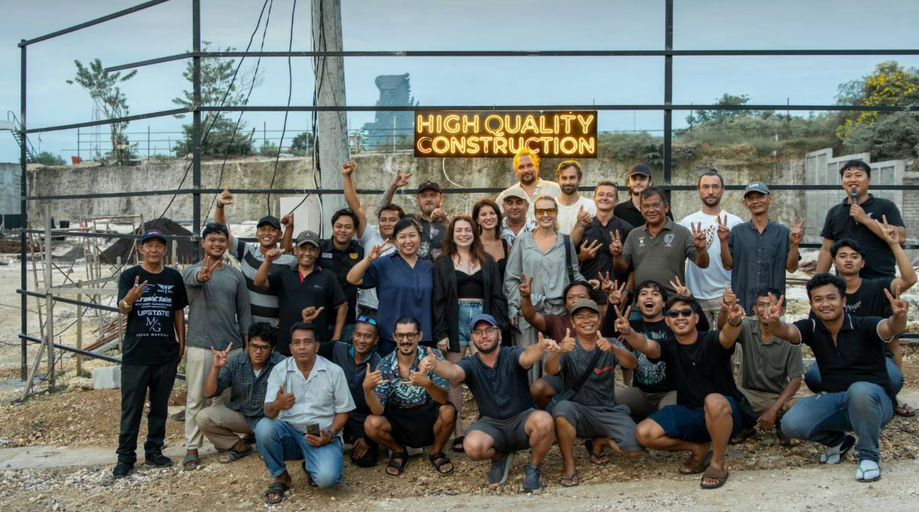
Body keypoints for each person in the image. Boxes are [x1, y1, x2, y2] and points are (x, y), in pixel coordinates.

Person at [763, 273, 909, 483]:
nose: (825, 304)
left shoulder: (864, 325)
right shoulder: (812, 327)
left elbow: (890, 327)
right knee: (791, 423)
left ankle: (869, 457)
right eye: (818, 299)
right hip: (838, 401)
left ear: (843, 301)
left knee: (859, 390)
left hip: (875, 403)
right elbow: (787, 332)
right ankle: (838, 442)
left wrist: (899, 316)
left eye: (831, 298)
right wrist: (774, 322)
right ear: (811, 304)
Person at [621, 291, 747, 490]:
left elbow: (728, 337)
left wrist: (733, 321)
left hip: (726, 413)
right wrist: (629, 332)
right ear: (668, 321)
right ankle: (698, 449)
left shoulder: (712, 339)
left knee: (713, 400)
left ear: (696, 318)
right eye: (673, 314)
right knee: (644, 433)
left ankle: (717, 462)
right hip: (690, 411)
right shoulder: (668, 346)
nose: (680, 317)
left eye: (686, 313)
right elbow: (645, 345)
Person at [420, 313, 557, 492]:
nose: (484, 335)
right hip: (491, 424)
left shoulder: (511, 353)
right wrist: (436, 365)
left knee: (544, 421)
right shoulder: (470, 363)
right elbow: (454, 372)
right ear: (472, 337)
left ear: (499, 334)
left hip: (522, 420)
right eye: (478, 332)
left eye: (489, 330)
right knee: (472, 446)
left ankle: (533, 467)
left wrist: (540, 348)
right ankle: (499, 457)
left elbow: (526, 357)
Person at [807, 232, 917, 416]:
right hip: (837, 360)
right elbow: (815, 336)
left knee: (893, 379)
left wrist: (894, 244)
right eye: (843, 256)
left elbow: (910, 279)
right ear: (834, 261)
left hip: (875, 361)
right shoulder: (825, 297)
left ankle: (884, 398)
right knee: (814, 376)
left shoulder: (878, 288)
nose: (848, 260)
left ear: (863, 262)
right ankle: (845, 401)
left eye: (854, 256)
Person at [113, 229, 189, 478]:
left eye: (159, 245)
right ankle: (125, 457)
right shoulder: (130, 276)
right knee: (131, 408)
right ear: (141, 249)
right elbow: (123, 308)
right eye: (149, 245)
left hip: (165, 354)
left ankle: (154, 450)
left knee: (159, 407)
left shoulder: (173, 277)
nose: (154, 249)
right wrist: (130, 298)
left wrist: (181, 343)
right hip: (136, 355)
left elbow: (178, 310)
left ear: (165, 250)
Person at [545, 299, 641, 487]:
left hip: (608, 410)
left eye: (591, 316)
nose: (586, 320)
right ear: (573, 323)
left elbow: (632, 363)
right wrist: (558, 352)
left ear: (599, 319)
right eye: (580, 317)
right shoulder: (568, 346)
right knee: (562, 409)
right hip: (579, 411)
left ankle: (600, 442)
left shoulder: (610, 342)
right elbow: (550, 370)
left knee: (634, 450)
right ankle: (568, 465)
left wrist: (614, 349)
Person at [433, 214, 508, 450]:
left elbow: (497, 296)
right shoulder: (442, 262)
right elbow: (438, 299)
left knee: (485, 376)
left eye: (467, 230)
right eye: (459, 230)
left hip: (482, 320)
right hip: (454, 320)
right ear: (452, 234)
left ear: (474, 233)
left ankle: (486, 426)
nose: (463, 234)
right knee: (455, 378)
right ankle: (457, 432)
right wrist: (441, 332)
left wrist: (497, 327)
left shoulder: (487, 261)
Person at [180, 222, 252, 471]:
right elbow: (194, 277)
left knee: (223, 400)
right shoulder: (191, 272)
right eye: (212, 240)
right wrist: (202, 276)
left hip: (231, 347)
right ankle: (192, 447)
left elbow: (244, 312)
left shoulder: (235, 275)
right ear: (203, 243)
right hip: (200, 345)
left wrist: (246, 344)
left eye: (221, 240)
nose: (217, 244)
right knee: (196, 398)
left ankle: (226, 442)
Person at [257, 322, 355, 503]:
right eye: (297, 342)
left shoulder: (334, 371)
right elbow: (268, 412)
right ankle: (281, 476)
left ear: (316, 346)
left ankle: (311, 464)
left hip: (320, 432)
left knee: (327, 480)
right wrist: (277, 404)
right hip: (290, 431)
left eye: (307, 342)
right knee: (263, 427)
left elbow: (344, 411)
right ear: (291, 348)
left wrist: (330, 434)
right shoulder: (279, 370)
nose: (302, 347)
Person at [362, 316, 457, 476]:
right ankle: (398, 451)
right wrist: (367, 390)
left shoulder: (432, 356)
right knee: (371, 424)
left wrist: (427, 384)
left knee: (449, 411)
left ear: (419, 336)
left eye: (410, 335)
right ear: (394, 337)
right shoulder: (385, 364)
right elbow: (378, 411)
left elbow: (443, 399)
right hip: (399, 418)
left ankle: (436, 452)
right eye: (400, 335)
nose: (405, 340)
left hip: (428, 414)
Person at [504, 194, 586, 380]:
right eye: (541, 211)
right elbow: (511, 278)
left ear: (556, 213)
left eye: (550, 210)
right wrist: (514, 305)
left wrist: (587, 286)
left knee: (555, 365)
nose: (545, 215)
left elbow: (574, 274)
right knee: (528, 364)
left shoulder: (566, 242)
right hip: (528, 312)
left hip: (557, 313)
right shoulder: (523, 241)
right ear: (535, 214)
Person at [717, 287, 803, 444]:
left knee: (799, 406)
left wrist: (773, 410)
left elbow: (796, 380)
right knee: (721, 403)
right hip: (748, 394)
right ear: (754, 309)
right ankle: (746, 426)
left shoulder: (790, 336)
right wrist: (726, 311)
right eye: (761, 305)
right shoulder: (747, 327)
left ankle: (782, 424)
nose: (765, 310)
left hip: (777, 396)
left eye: (771, 305)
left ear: (782, 310)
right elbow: (723, 330)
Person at [196, 322, 284, 464]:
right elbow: (209, 393)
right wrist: (215, 367)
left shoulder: (281, 364)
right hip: (243, 416)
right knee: (203, 417)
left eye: (264, 347)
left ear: (272, 349)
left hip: (270, 419)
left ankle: (264, 441)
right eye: (254, 346)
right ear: (248, 345)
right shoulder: (236, 361)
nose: (258, 352)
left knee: (269, 452)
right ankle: (238, 446)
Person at [347, 218, 435, 355]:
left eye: (412, 235)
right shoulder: (384, 264)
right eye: (402, 237)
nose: (408, 241)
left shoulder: (429, 266)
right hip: (390, 337)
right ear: (395, 241)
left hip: (423, 336)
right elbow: (352, 278)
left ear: (419, 238)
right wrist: (369, 259)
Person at [254, 230, 347, 356]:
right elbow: (259, 282)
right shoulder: (284, 274)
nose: (307, 253)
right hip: (286, 343)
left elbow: (342, 305)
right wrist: (268, 261)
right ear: (295, 250)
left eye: (312, 249)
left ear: (317, 252)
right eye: (303, 248)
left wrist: (336, 338)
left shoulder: (327, 276)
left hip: (316, 344)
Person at [215, 187, 295, 326]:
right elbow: (222, 233)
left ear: (279, 234)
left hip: (277, 327)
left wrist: (289, 228)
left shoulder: (289, 260)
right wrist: (219, 206)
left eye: (272, 230)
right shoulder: (247, 251)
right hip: (249, 326)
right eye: (262, 230)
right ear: (257, 234)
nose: (267, 233)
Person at [718, 182, 803, 312]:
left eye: (760, 197)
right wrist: (723, 241)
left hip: (773, 307)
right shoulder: (737, 232)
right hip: (742, 305)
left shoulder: (783, 232)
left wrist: (794, 245)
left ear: (770, 198)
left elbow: (792, 268)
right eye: (751, 198)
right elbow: (727, 265)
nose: (756, 201)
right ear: (745, 203)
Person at [815, 159, 906, 279]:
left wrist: (866, 220)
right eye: (848, 176)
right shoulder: (835, 212)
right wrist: (818, 282)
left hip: (881, 280)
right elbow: (826, 250)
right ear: (842, 181)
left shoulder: (885, 206)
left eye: (858, 175)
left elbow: (901, 237)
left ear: (869, 179)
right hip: (846, 282)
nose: (853, 180)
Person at [614, 187, 709, 297]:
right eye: (646, 206)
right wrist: (617, 255)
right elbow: (621, 268)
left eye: (656, 205)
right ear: (641, 209)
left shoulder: (682, 233)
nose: (651, 210)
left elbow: (703, 264)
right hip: (642, 301)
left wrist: (701, 250)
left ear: (666, 207)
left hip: (673, 301)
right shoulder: (634, 235)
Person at [680, 170, 744, 326]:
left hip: (725, 295)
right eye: (705, 186)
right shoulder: (687, 222)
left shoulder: (735, 222)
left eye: (715, 187)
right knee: (699, 339)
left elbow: (740, 262)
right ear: (698, 190)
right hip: (695, 294)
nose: (710, 191)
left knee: (726, 337)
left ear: (723, 190)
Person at [341, 160, 404, 318]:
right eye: (383, 220)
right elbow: (356, 207)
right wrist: (347, 176)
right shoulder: (370, 235)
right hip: (368, 310)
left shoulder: (407, 245)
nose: (387, 223)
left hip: (397, 309)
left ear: (401, 222)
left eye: (392, 220)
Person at [317, 315, 383, 467]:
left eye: (367, 336)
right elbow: (312, 347)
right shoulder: (338, 348)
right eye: (358, 334)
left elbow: (381, 407)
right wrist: (307, 323)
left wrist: (368, 439)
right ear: (352, 335)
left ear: (376, 340)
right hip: (334, 414)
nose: (361, 340)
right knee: (317, 443)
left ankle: (356, 440)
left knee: (365, 460)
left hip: (361, 419)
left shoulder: (379, 363)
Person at [611, 280, 677, 420]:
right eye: (643, 294)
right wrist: (613, 304)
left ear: (664, 303)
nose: (649, 297)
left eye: (655, 294)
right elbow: (609, 334)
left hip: (670, 392)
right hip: (641, 393)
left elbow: (702, 327)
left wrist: (688, 299)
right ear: (637, 303)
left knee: (668, 418)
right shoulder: (631, 325)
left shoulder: (673, 324)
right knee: (606, 399)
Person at [569, 179, 634, 305]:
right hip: (587, 292)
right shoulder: (583, 227)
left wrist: (626, 292)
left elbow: (632, 268)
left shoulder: (626, 229)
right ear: (594, 199)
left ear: (616, 201)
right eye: (601, 194)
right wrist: (581, 257)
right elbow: (567, 260)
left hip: (616, 294)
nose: (604, 198)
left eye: (609, 195)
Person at [318, 208, 365, 342]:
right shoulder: (320, 248)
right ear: (333, 227)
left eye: (348, 227)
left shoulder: (359, 251)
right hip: (321, 316)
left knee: (342, 353)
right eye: (339, 226)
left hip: (348, 320)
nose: (343, 230)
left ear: (354, 231)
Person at [379, 170, 448, 260]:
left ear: (441, 198)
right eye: (424, 196)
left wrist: (445, 221)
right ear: (417, 200)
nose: (428, 199)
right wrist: (393, 186)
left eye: (433, 195)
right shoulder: (410, 221)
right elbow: (382, 211)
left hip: (444, 269)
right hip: (415, 268)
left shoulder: (453, 222)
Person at [496, 147, 561, 221]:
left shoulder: (555, 189)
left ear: (537, 167)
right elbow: (495, 219)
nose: (526, 170)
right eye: (521, 167)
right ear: (516, 171)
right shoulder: (506, 195)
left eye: (530, 165)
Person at [614, 163, 673, 227]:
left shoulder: (661, 209)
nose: (638, 182)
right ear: (628, 182)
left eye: (642, 178)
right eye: (634, 179)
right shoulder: (618, 210)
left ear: (650, 182)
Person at [473, 198, 512, 279]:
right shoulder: (472, 244)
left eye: (492, 213)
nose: (488, 217)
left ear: (498, 217)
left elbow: (510, 275)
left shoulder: (505, 245)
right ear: (477, 220)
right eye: (483, 214)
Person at [554, 160, 596, 234]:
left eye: (572, 178)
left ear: (579, 179)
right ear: (558, 180)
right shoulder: (550, 206)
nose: (568, 182)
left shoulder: (591, 206)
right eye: (564, 178)